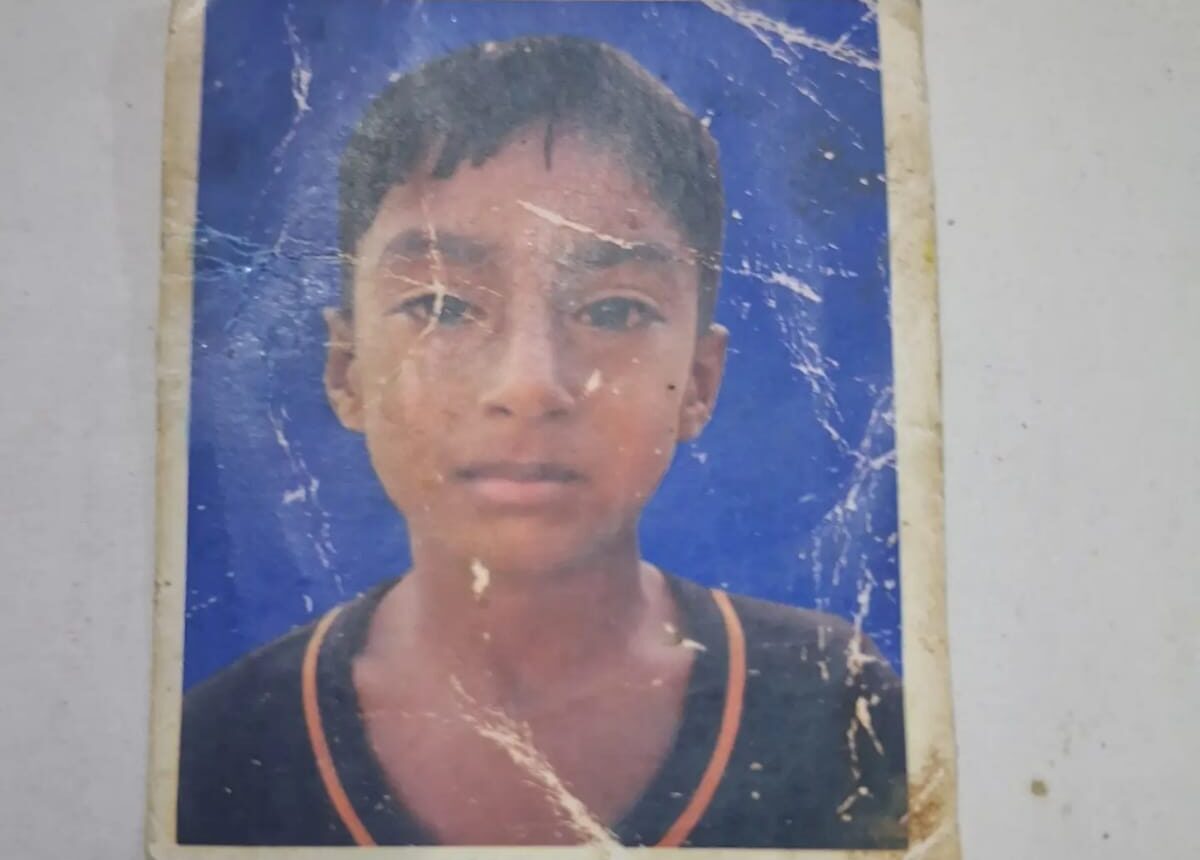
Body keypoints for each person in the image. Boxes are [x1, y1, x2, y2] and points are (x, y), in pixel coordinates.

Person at [178, 35, 907, 849]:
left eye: (614, 310)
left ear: (698, 382)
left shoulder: (834, 709)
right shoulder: (215, 750)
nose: (528, 385)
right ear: (346, 369)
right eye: (443, 306)